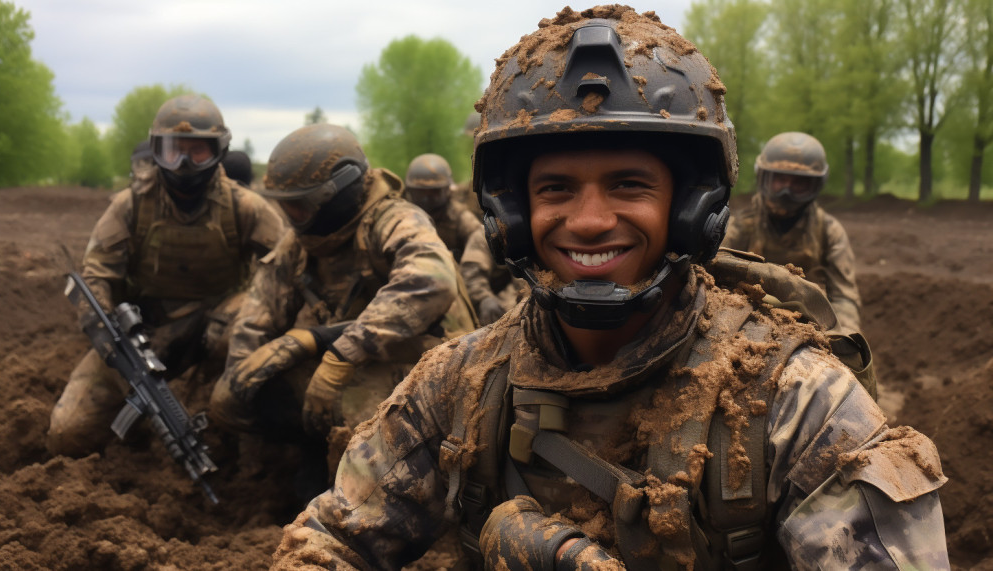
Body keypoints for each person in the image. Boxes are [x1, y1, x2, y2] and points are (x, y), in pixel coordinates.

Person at [272, 6, 949, 570]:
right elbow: (325, 543)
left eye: (629, 184)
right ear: (510, 217)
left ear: (691, 208)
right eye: (556, 189)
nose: (590, 221)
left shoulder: (798, 404)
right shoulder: (461, 385)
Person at [209, 124, 478, 458]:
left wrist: (335, 350)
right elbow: (258, 313)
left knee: (350, 419)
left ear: (337, 193)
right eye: (286, 207)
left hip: (432, 364)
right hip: (355, 360)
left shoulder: (394, 218)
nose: (292, 218)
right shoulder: (299, 243)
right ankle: (304, 455)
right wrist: (242, 382)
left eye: (300, 206)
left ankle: (363, 469)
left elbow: (430, 282)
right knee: (233, 394)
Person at [47, 94, 285, 457]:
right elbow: (96, 279)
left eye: (198, 151)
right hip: (144, 332)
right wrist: (114, 346)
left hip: (219, 327)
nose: (185, 162)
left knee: (245, 325)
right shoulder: (130, 205)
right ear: (157, 151)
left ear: (219, 151)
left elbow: (286, 272)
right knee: (68, 434)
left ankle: (232, 412)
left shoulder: (246, 206)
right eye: (174, 150)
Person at [722, 132, 862, 333]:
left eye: (798, 183)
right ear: (764, 178)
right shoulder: (742, 226)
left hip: (814, 328)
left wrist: (842, 340)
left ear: (814, 186)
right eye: (779, 180)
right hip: (748, 323)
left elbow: (844, 298)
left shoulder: (828, 231)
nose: (786, 191)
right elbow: (715, 278)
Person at [403, 152, 516, 325]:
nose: (427, 198)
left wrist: (483, 297)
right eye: (421, 193)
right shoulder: (403, 219)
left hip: (459, 288)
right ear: (410, 191)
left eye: (434, 192)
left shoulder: (461, 219)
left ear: (447, 190)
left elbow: (476, 261)